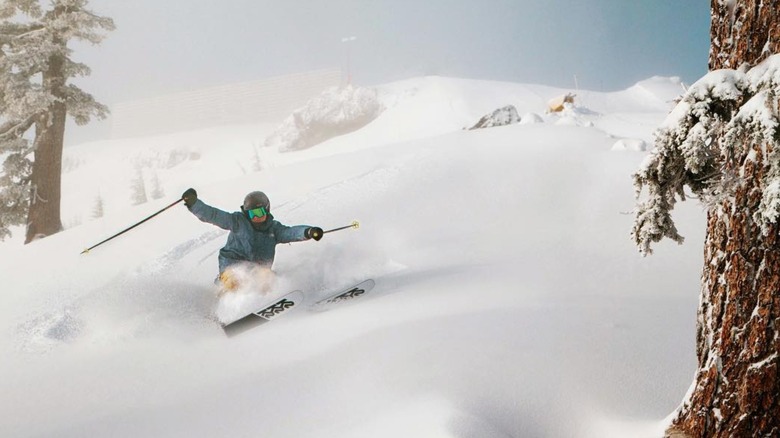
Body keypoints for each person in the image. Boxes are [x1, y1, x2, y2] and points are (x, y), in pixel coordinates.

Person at [181, 188, 323, 292]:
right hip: (232, 266)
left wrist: (308, 231)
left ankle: (268, 304)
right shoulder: (238, 221)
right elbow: (213, 215)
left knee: (267, 278)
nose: (256, 217)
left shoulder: (274, 229)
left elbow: (290, 232)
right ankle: (227, 310)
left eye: (259, 212)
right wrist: (194, 204)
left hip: (258, 269)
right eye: (251, 213)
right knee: (236, 281)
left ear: (267, 210)